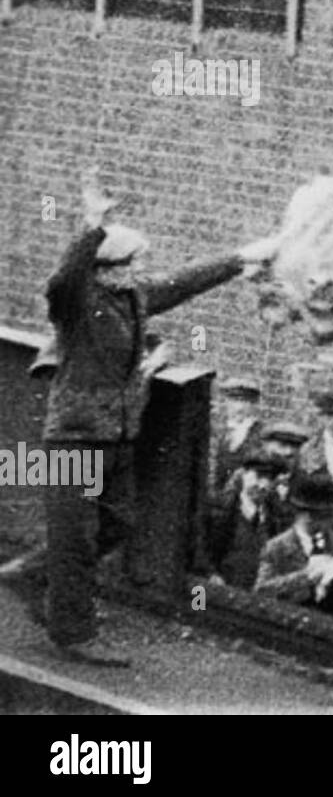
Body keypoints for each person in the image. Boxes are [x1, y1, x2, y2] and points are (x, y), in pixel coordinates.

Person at [38, 170, 280, 666]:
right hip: (72, 438)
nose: (139, 268)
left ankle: (37, 580)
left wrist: (241, 258)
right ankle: (74, 633)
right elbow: (65, 276)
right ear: (106, 269)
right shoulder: (76, 304)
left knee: (119, 523)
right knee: (76, 537)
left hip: (117, 436)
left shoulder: (133, 298)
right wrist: (94, 227)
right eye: (130, 262)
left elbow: (183, 281)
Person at [254, 468, 333, 621]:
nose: (314, 520)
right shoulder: (277, 547)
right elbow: (261, 592)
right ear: (298, 512)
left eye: (322, 515)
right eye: (308, 513)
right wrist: (305, 577)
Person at [200, 444, 284, 590]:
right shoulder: (219, 511)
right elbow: (200, 553)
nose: (263, 485)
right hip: (217, 594)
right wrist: (211, 575)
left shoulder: (275, 518)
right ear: (244, 473)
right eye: (259, 476)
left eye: (270, 479)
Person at [210, 376, 262, 499]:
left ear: (253, 405)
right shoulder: (216, 428)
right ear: (226, 402)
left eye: (245, 402)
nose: (239, 408)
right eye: (234, 400)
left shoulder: (261, 433)